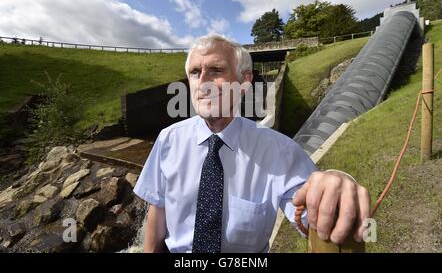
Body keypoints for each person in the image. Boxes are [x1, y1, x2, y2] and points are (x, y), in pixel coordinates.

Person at [133, 34, 370, 253]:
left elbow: (318, 214)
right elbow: (158, 207)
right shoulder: (168, 139)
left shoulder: (280, 151)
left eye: (216, 70)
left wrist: (336, 186)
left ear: (244, 82)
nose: (203, 82)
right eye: (195, 72)